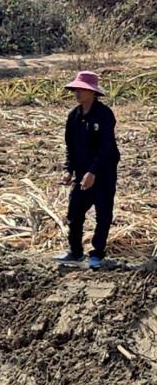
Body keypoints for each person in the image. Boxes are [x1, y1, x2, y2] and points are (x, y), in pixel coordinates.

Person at [59, 71, 120, 269]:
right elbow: (70, 147)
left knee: (103, 215)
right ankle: (75, 252)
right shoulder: (74, 116)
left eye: (82, 89)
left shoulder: (104, 115)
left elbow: (107, 148)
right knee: (74, 213)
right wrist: (69, 170)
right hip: (82, 173)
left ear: (92, 92)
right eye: (76, 89)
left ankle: (97, 254)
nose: (77, 92)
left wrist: (93, 172)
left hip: (103, 173)